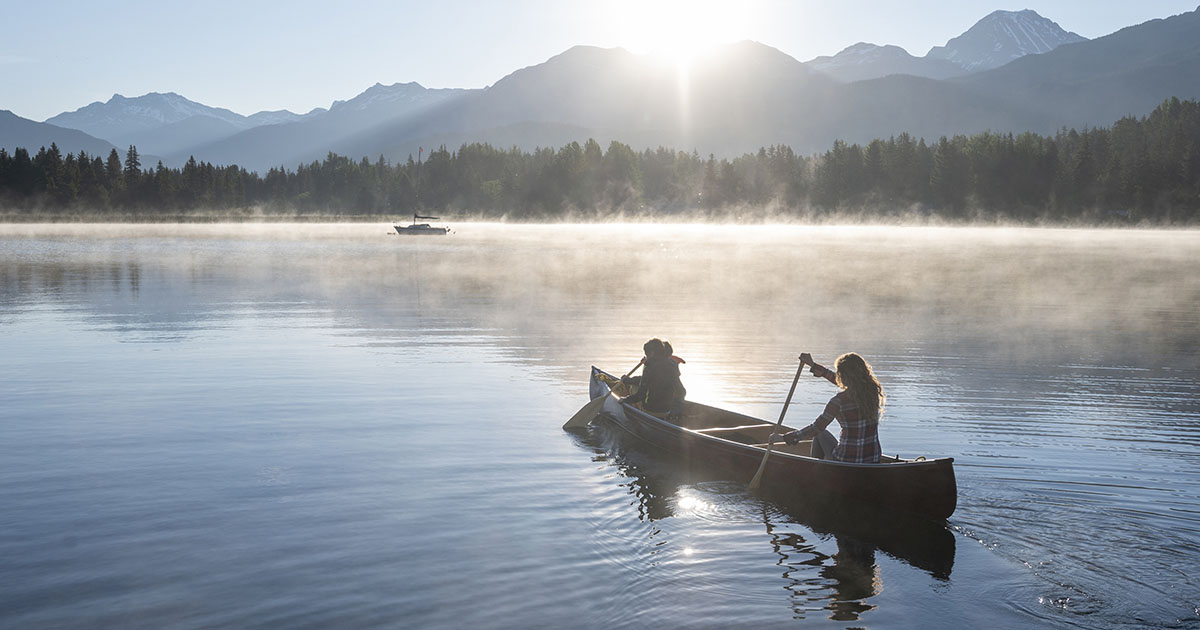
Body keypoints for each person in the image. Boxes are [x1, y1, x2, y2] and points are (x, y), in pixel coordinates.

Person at [771, 352, 885, 464]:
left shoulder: (838, 402)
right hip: (872, 460)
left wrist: (785, 438)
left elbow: (816, 428)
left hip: (845, 460)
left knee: (820, 433)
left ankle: (817, 471)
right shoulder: (872, 391)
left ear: (843, 376)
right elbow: (843, 381)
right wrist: (813, 365)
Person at [621, 338, 687, 419]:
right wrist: (676, 409)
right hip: (667, 410)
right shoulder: (672, 365)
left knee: (633, 388)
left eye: (647, 354)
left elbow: (640, 395)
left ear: (652, 353)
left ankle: (634, 418)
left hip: (651, 410)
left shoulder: (650, 366)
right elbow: (682, 391)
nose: (646, 356)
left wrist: (624, 400)